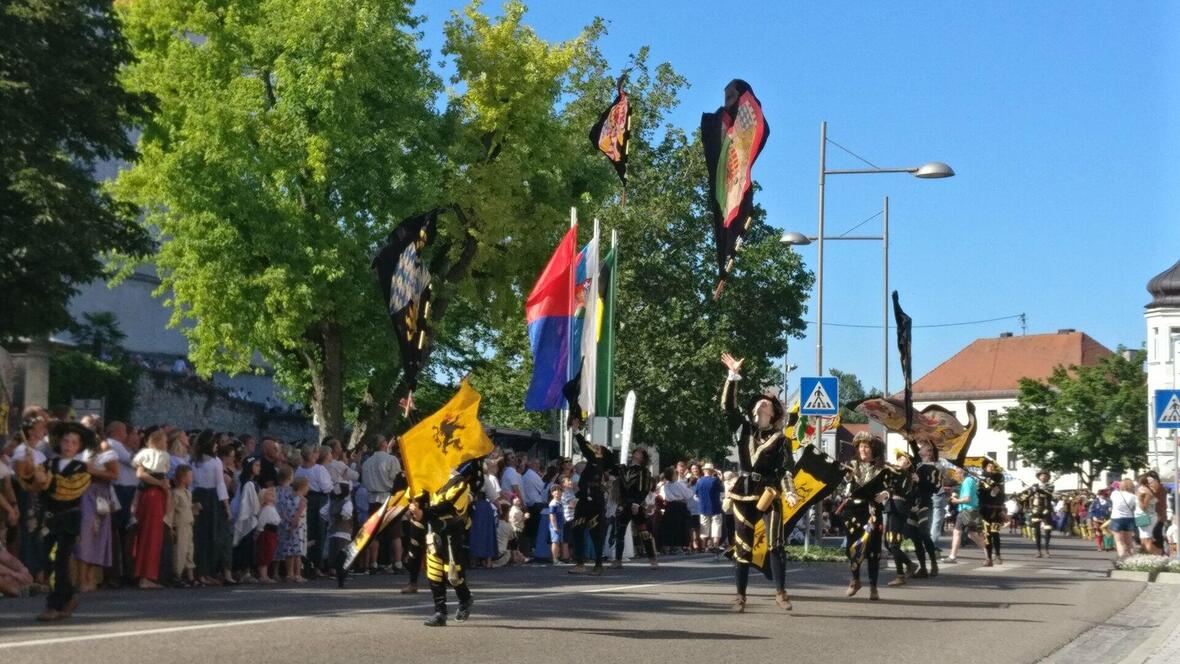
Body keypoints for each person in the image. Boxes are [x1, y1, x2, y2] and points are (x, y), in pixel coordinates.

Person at [720, 352, 800, 612]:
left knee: (775, 543)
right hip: (742, 492)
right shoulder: (743, 429)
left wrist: (789, 492)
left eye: (765, 404)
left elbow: (786, 469)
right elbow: (728, 407)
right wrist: (733, 375)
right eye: (757, 404)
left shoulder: (781, 439)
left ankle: (780, 592)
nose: (760, 405)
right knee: (742, 546)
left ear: (773, 412)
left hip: (769, 492)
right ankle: (740, 596)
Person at [14, 422, 99, 621]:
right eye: (65, 441)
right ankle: (68, 596)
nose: (68, 445)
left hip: (68, 519)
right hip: (48, 519)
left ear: (79, 446)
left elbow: (68, 489)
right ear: (59, 442)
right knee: (48, 560)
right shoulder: (47, 464)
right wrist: (27, 466)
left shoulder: (82, 469)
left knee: (59, 559)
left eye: (73, 442)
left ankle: (54, 604)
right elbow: (31, 484)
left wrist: (47, 480)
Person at [411, 460, 481, 627]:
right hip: (434, 530)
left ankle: (465, 598)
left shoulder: (459, 483)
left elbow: (447, 507)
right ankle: (440, 612)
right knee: (434, 572)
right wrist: (415, 505)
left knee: (453, 575)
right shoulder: (430, 480)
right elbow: (418, 499)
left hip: (452, 531)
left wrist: (424, 513)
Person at [841, 432, 888, 601]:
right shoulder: (851, 464)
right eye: (861, 446)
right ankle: (855, 580)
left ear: (873, 449)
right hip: (853, 511)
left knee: (873, 551)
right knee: (852, 548)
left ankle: (873, 587)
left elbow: (890, 486)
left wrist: (885, 494)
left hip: (873, 511)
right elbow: (843, 483)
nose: (863, 449)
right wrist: (846, 477)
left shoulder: (882, 468)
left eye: (867, 446)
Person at [566, 410, 611, 575]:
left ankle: (591, 564)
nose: (595, 447)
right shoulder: (597, 463)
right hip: (587, 500)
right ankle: (585, 563)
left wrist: (576, 430)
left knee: (592, 532)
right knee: (581, 530)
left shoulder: (595, 460)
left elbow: (584, 447)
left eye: (597, 447)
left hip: (592, 502)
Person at [75, 436, 119, 592]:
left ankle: (90, 577)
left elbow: (114, 474)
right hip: (83, 493)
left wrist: (91, 470)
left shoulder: (106, 453)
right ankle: (81, 579)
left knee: (97, 534)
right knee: (85, 534)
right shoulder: (77, 452)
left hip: (99, 494)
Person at [132, 429, 172, 589]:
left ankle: (145, 573)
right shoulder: (161, 457)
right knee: (152, 536)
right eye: (164, 440)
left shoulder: (144, 454)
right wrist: (160, 483)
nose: (166, 444)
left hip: (150, 495)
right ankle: (146, 575)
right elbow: (141, 474)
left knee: (150, 535)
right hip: (154, 496)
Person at [361, 436, 402, 574]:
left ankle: (373, 562)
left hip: (372, 498)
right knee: (395, 533)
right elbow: (395, 478)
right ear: (384, 444)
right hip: (387, 498)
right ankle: (398, 563)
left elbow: (364, 481)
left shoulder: (367, 463)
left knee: (374, 533)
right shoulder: (391, 460)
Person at [613, 446, 657, 569]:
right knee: (620, 532)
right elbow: (621, 487)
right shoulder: (624, 469)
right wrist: (621, 503)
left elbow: (644, 489)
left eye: (639, 453)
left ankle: (652, 559)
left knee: (643, 532)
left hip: (636, 504)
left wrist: (637, 503)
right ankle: (618, 560)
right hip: (625, 504)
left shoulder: (644, 472)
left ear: (642, 458)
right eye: (636, 452)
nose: (636, 453)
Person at [883, 452, 919, 586]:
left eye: (903, 459)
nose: (899, 461)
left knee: (893, 543)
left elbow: (900, 490)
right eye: (898, 458)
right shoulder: (896, 473)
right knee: (888, 543)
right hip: (892, 507)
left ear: (908, 464)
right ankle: (907, 567)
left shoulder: (905, 475)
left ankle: (902, 572)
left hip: (898, 508)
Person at [944, 468, 991, 565]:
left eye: (957, 473)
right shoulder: (969, 481)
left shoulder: (967, 482)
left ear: (962, 473)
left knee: (957, 532)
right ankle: (988, 556)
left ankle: (952, 556)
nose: (956, 475)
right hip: (971, 510)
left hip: (966, 510)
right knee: (972, 534)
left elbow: (967, 499)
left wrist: (956, 501)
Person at [908, 441, 941, 578]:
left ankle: (933, 563)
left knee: (923, 534)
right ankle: (922, 567)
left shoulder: (934, 469)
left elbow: (935, 487)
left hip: (925, 504)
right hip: (913, 505)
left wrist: (919, 480)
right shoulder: (917, 465)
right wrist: (910, 439)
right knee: (915, 537)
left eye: (923, 448)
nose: (919, 450)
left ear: (929, 452)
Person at [232, 457, 262, 583]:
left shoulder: (250, 483)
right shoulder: (248, 484)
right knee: (246, 545)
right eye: (256, 465)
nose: (259, 468)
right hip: (247, 519)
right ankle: (245, 571)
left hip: (249, 518)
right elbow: (248, 504)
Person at [322, 480, 354, 586]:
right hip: (344, 532)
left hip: (333, 531)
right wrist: (340, 517)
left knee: (334, 554)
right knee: (343, 555)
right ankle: (342, 575)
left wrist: (332, 518)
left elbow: (322, 512)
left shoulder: (331, 503)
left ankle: (333, 571)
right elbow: (346, 514)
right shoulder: (347, 503)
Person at [278, 474, 309, 583]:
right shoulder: (303, 500)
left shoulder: (288, 498)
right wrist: (293, 524)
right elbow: (298, 514)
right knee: (297, 552)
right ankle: (297, 574)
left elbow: (284, 512)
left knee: (289, 551)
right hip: (298, 528)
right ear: (303, 487)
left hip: (287, 525)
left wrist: (288, 522)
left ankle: (289, 574)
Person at [1019, 471, 1056, 558]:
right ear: (1039, 477)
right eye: (1041, 476)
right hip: (1036, 510)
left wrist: (1037, 489)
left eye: (1045, 476)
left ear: (1048, 477)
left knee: (1047, 530)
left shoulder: (1050, 485)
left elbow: (1048, 493)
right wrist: (1021, 496)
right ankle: (1038, 551)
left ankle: (1046, 550)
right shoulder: (1034, 485)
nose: (1043, 477)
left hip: (1046, 509)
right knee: (1036, 531)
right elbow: (1027, 495)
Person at [171, 465, 197, 587]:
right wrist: (171, 526)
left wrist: (195, 508)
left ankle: (190, 576)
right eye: (190, 476)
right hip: (180, 525)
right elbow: (172, 511)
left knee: (189, 550)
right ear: (183, 479)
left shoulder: (188, 493)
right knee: (180, 550)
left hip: (189, 524)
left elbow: (188, 508)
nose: (192, 478)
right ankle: (177, 575)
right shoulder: (175, 493)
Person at [978, 459, 1006, 565]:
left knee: (995, 533)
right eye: (989, 466)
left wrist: (993, 485)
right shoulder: (981, 480)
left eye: (992, 466)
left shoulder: (999, 478)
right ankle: (988, 558)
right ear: (985, 467)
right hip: (984, 510)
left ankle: (998, 555)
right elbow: (980, 493)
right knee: (986, 535)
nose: (991, 467)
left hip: (996, 510)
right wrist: (984, 480)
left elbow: (999, 492)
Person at [695, 464, 723, 553]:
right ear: (712, 471)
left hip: (703, 506)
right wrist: (721, 479)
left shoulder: (699, 481)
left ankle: (703, 546)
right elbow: (722, 490)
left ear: (704, 471)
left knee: (704, 526)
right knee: (716, 525)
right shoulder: (715, 480)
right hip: (715, 506)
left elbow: (696, 494)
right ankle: (715, 545)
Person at [1108, 479, 1138, 559]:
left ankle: (1122, 559)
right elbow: (1135, 508)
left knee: (1119, 541)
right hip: (1129, 519)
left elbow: (1113, 490)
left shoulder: (1115, 494)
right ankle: (1133, 560)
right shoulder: (1134, 497)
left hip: (1116, 518)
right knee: (1129, 543)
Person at [255, 487, 280, 583]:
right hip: (266, 533)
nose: (272, 495)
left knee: (269, 553)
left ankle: (265, 575)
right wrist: (259, 531)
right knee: (265, 554)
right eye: (269, 494)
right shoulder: (266, 509)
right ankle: (263, 576)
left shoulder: (271, 508)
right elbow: (262, 522)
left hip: (272, 532)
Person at [1135, 476, 1161, 555]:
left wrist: (1139, 499)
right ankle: (1150, 558)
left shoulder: (1144, 491)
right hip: (1143, 516)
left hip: (1145, 516)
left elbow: (1144, 507)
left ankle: (1158, 556)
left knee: (1146, 539)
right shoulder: (1146, 490)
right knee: (1143, 539)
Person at [546, 485, 565, 564]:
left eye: (559, 491)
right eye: (555, 491)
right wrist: (554, 526)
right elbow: (552, 515)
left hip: (560, 524)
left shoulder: (560, 502)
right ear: (552, 493)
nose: (558, 492)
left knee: (558, 542)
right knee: (555, 541)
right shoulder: (553, 503)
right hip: (555, 525)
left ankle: (557, 557)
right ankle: (554, 559)